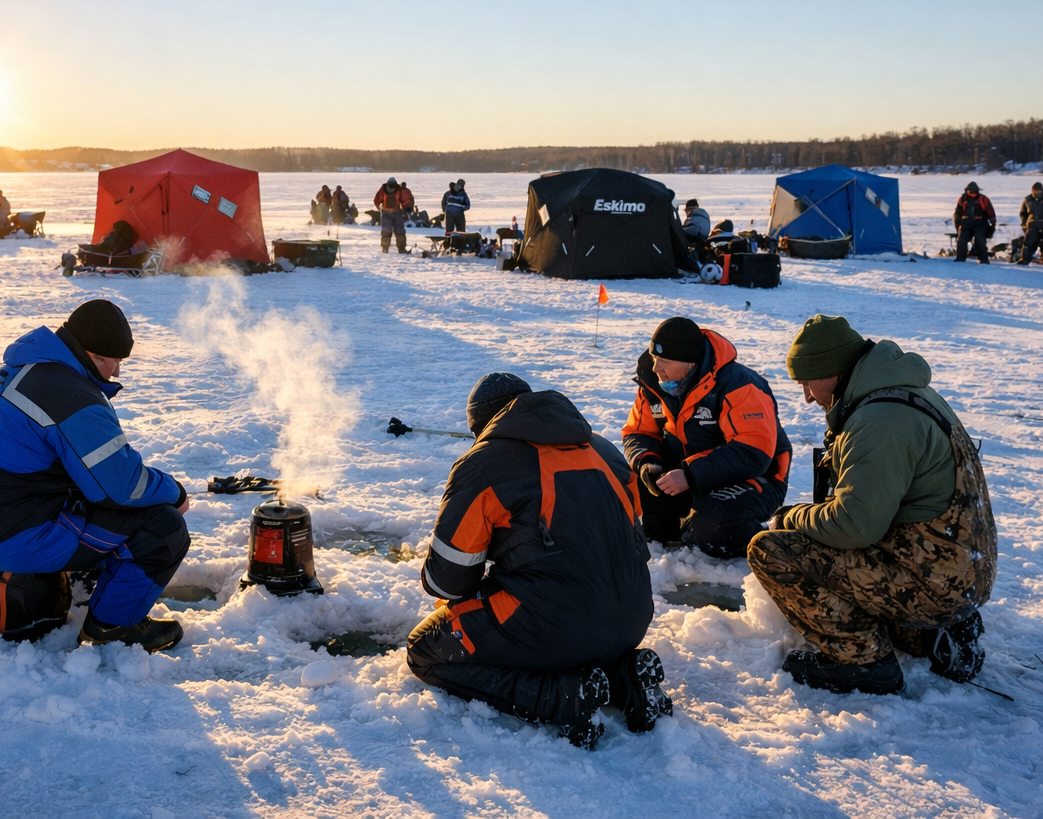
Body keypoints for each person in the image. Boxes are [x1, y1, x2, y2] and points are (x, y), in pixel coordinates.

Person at [407, 373, 671, 750]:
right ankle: (621, 677)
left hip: (554, 627)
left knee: (426, 650)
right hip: (632, 617)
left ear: (482, 425)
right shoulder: (605, 451)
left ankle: (562, 696)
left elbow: (445, 583)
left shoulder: (485, 463)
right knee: (557, 614)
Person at [747, 315, 997, 695]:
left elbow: (854, 526)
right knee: (827, 546)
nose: (808, 397)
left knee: (770, 549)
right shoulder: (904, 393)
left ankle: (862, 661)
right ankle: (929, 637)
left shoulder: (879, 421)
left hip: (934, 582)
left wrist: (791, 517)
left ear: (831, 371)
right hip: (957, 572)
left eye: (807, 383)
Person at [0, 299, 190, 650]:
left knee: (90, 487)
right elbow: (121, 486)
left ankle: (85, 579)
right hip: (9, 534)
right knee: (162, 529)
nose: (118, 371)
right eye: (116, 361)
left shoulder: (32, 367)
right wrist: (175, 492)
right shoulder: (69, 394)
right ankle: (111, 627)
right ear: (94, 355)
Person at [622, 317, 790, 559]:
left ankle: (772, 537)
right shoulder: (653, 383)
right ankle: (686, 520)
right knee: (639, 514)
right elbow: (638, 432)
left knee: (711, 531)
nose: (657, 367)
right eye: (655, 358)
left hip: (755, 478)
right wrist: (648, 464)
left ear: (691, 363)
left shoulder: (740, 385)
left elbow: (753, 451)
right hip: (689, 475)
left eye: (665, 361)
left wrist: (691, 475)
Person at [952, 182, 995, 264]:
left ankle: (983, 259)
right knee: (962, 241)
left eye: (974, 192)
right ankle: (960, 259)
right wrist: (958, 226)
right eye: (970, 192)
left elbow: (991, 213)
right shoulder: (962, 199)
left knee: (980, 241)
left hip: (980, 223)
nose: (972, 194)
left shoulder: (984, 199)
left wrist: (993, 225)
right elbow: (958, 213)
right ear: (967, 191)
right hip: (966, 223)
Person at [374, 177, 410, 253]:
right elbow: (405, 199)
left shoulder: (384, 189)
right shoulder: (397, 189)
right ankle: (391, 248)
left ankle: (392, 248)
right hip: (394, 212)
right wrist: (407, 207)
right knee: (394, 231)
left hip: (389, 212)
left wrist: (378, 206)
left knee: (391, 231)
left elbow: (377, 199)